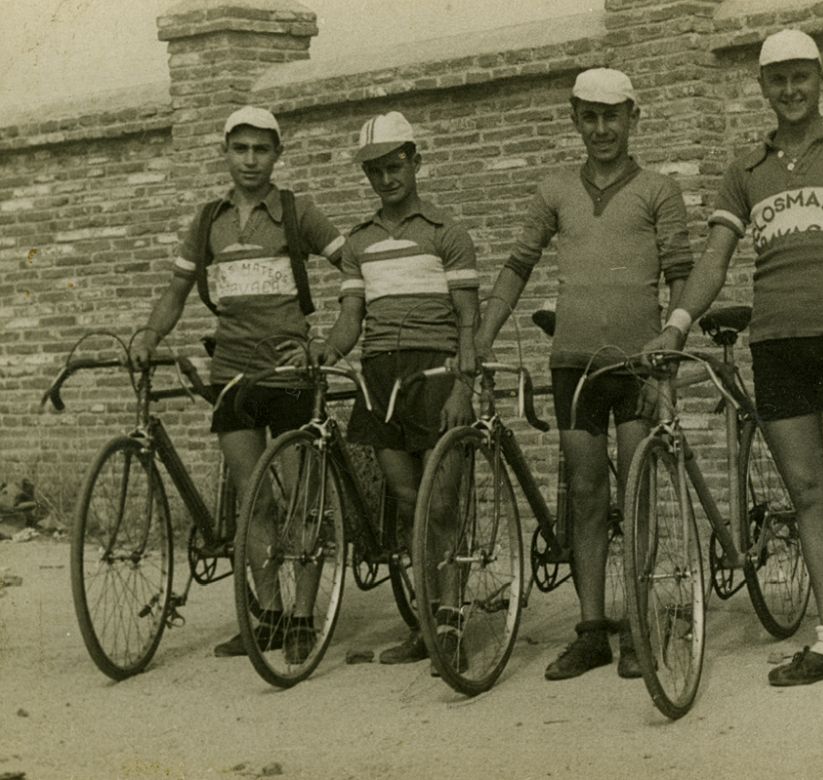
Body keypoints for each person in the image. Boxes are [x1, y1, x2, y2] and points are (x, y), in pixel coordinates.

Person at [644, 29, 823, 689]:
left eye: (801, 77)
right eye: (777, 79)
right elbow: (713, 260)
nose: (790, 90)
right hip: (778, 349)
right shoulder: (746, 172)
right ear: (761, 87)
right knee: (808, 494)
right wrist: (676, 325)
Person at [475, 68, 694, 681]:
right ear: (575, 119)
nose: (601, 129)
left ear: (632, 118)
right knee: (589, 499)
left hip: (638, 363)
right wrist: (481, 338)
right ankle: (593, 627)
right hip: (574, 363)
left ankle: (640, 625)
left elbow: (681, 271)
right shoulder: (553, 191)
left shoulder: (658, 189)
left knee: (638, 495)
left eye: (612, 116)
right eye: (589, 117)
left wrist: (668, 358)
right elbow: (518, 265)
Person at [133, 106, 346, 661]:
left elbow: (354, 266)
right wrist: (150, 336)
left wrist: (335, 336)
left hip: (291, 374)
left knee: (302, 498)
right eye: (240, 149)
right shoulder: (209, 219)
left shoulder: (298, 211)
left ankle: (303, 617)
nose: (251, 160)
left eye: (262, 150)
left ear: (277, 154)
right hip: (232, 376)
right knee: (255, 500)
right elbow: (177, 292)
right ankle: (271, 614)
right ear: (225, 154)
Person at [320, 111, 479, 668]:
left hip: (435, 374)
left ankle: (452, 626)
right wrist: (327, 351)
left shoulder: (445, 232)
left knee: (441, 504)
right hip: (380, 376)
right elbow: (349, 319)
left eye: (395, 166)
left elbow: (467, 322)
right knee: (410, 504)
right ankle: (427, 623)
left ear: (415, 160)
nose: (386, 179)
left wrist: (464, 384)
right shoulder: (358, 243)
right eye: (375, 172)